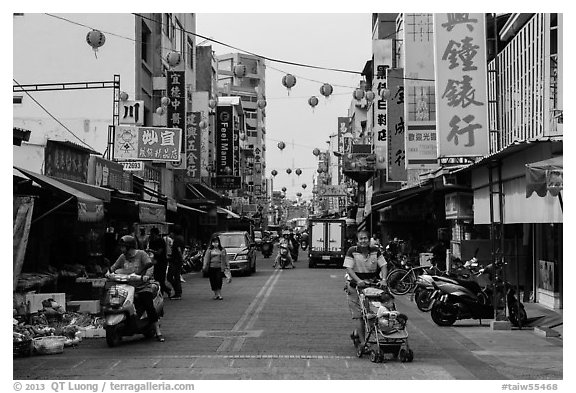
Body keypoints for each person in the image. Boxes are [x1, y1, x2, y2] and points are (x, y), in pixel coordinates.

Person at [108, 235, 164, 342]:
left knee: (148, 305)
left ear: (129, 247)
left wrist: (146, 276)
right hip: (127, 286)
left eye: (123, 247)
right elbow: (114, 267)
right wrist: (108, 272)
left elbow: (150, 265)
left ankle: (158, 331)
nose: (121, 249)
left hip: (142, 286)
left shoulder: (141, 254)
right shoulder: (123, 257)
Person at [344, 230, 388, 352]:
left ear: (369, 240)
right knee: (359, 315)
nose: (363, 241)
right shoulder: (352, 251)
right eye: (361, 239)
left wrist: (384, 279)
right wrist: (358, 281)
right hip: (355, 286)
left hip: (372, 286)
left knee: (374, 312)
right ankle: (363, 343)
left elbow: (383, 265)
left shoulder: (375, 251)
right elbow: (349, 268)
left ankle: (358, 333)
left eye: (365, 238)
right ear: (357, 241)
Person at [147, 227, 170, 297]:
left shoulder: (161, 241)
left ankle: (163, 292)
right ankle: (165, 291)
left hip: (162, 262)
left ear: (155, 234)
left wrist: (151, 250)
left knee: (161, 279)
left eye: (152, 234)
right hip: (154, 262)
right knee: (156, 278)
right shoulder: (151, 241)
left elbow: (159, 252)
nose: (151, 235)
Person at [166, 226, 185, 300]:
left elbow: (179, 250)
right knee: (176, 277)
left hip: (175, 261)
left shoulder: (177, 239)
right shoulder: (181, 238)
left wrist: (180, 258)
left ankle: (178, 292)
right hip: (177, 260)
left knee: (171, 276)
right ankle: (178, 292)